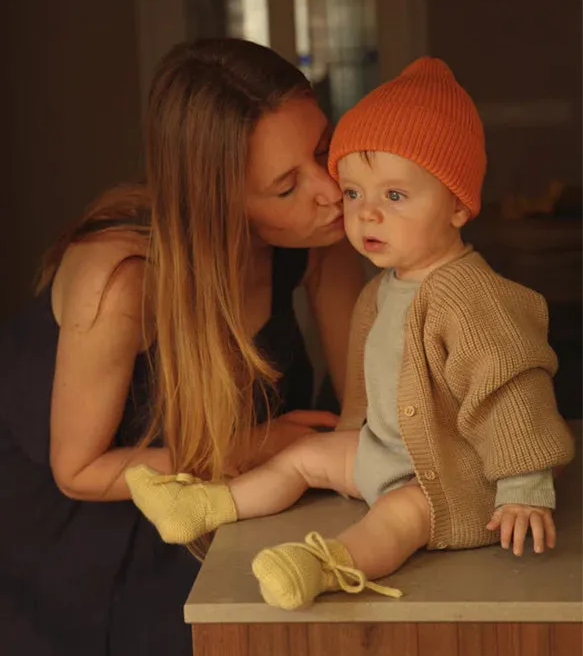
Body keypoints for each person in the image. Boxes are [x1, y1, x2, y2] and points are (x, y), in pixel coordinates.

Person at [126, 57, 575, 612]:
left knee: (400, 516)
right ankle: (208, 506)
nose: (365, 216)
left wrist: (524, 488)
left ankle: (328, 565)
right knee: (304, 457)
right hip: (388, 454)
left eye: (394, 197)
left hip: (455, 477)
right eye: (356, 193)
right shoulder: (382, 290)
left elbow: (513, 394)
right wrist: (347, 438)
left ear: (458, 204)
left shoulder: (475, 298)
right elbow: (364, 389)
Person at [0, 38, 365, 653]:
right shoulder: (120, 279)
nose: (330, 190)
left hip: (213, 502)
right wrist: (259, 444)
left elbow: (362, 404)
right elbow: (79, 472)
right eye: (285, 187)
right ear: (221, 203)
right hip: (77, 534)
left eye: (323, 151)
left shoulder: (320, 225)